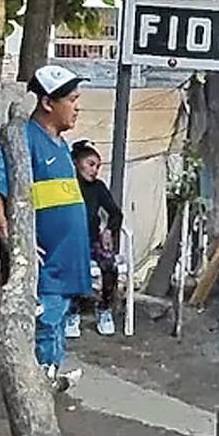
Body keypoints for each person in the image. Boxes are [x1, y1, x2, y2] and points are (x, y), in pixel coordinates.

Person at [0, 65, 94, 383]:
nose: (77, 106)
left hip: (66, 262)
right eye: (72, 99)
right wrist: (12, 238)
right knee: (45, 322)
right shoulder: (24, 139)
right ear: (48, 103)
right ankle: (36, 386)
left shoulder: (61, 144)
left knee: (56, 322)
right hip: (47, 263)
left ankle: (50, 378)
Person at [72, 141, 125, 337]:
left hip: (92, 240)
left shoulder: (98, 188)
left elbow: (116, 214)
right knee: (71, 264)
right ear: (77, 163)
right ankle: (72, 311)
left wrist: (109, 230)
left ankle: (104, 309)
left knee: (110, 265)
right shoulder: (66, 185)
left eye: (98, 166)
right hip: (70, 241)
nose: (95, 170)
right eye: (91, 164)